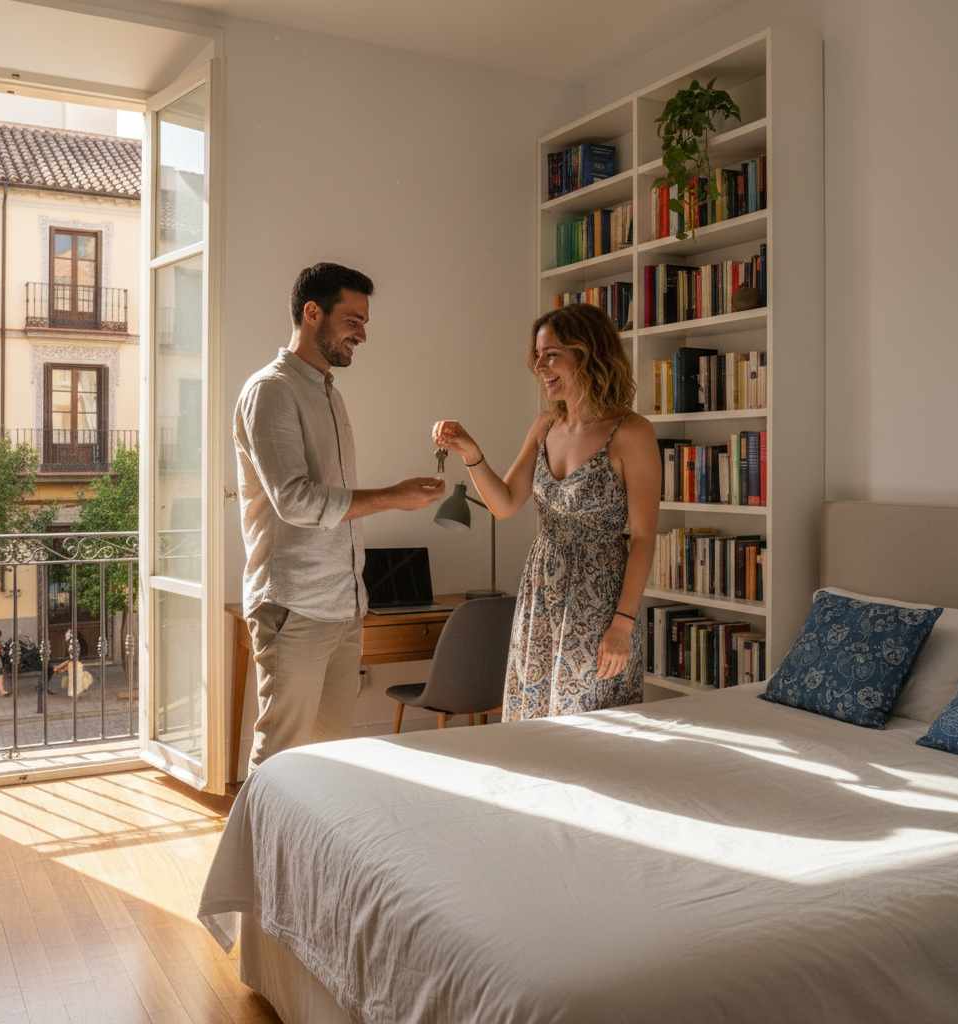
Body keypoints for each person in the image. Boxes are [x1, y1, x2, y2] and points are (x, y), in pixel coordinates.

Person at [235, 262, 445, 773]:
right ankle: (261, 856)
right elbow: (297, 501)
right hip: (294, 605)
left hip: (345, 606)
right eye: (353, 320)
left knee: (333, 758)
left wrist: (357, 600)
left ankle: (314, 857)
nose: (363, 335)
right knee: (281, 757)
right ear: (312, 313)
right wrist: (394, 497)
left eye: (364, 323)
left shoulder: (329, 393)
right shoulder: (272, 391)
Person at [433, 303, 661, 719]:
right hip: (540, 593)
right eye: (537, 355)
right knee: (533, 718)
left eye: (552, 354)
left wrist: (623, 624)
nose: (539, 365)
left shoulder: (631, 432)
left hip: (599, 602)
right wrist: (471, 451)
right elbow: (502, 504)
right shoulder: (544, 426)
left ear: (588, 353)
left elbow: (645, 536)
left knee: (588, 722)